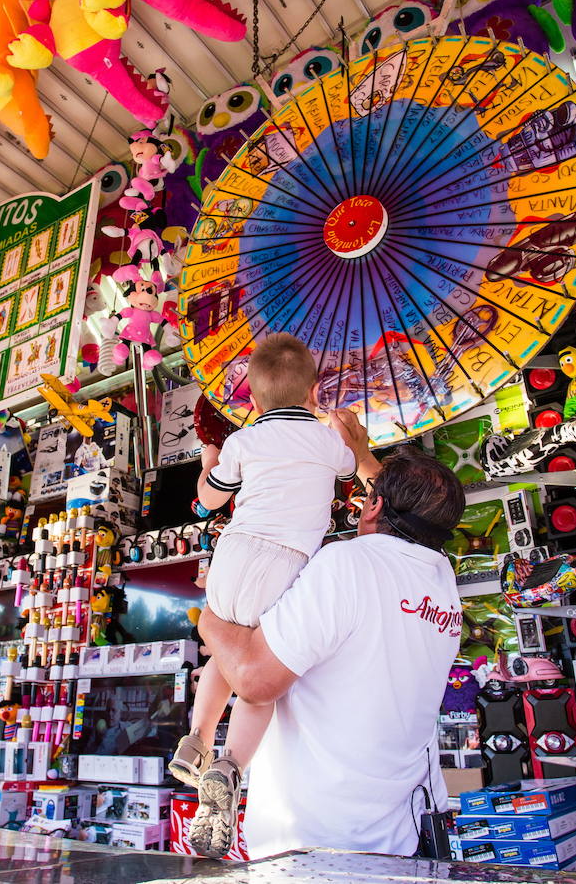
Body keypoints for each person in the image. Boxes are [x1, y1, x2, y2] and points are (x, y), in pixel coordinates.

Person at [197, 411, 465, 860]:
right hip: (404, 833)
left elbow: (253, 680)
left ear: (373, 506)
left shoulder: (349, 564)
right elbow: (417, 514)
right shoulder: (443, 582)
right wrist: (360, 457)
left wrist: (211, 617)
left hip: (316, 841)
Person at [172, 333, 357, 858]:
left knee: (225, 650)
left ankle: (198, 737)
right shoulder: (327, 441)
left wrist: (208, 462)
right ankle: (230, 766)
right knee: (257, 678)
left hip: (234, 555)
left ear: (252, 400)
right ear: (314, 390)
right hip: (288, 563)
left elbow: (209, 498)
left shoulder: (243, 441)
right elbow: (346, 471)